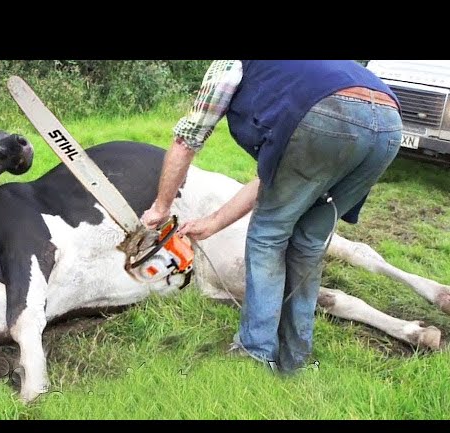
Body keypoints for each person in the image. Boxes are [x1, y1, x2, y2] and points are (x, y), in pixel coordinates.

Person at [140, 60, 403, 373]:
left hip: (329, 115)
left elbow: (187, 139)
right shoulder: (304, 70)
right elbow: (274, 177)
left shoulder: (231, 65)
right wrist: (214, 222)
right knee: (309, 243)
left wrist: (160, 206)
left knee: (267, 237)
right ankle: (295, 356)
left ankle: (256, 351)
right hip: (389, 126)